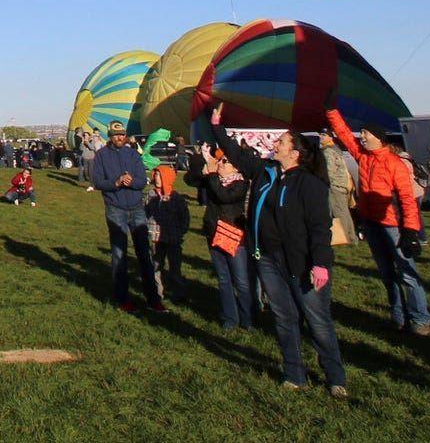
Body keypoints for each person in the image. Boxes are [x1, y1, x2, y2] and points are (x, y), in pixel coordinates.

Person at [201, 106, 347, 397]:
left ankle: (335, 377)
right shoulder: (266, 172)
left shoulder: (310, 184)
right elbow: (237, 153)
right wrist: (217, 125)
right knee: (284, 318)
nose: (275, 144)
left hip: (303, 260)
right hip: (268, 258)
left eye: (281, 142)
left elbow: (320, 228)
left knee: (317, 321)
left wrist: (320, 263)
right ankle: (294, 373)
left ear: (295, 153)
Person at [326, 105, 430, 335]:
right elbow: (345, 135)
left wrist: (411, 230)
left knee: (406, 272)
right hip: (371, 223)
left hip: (393, 225)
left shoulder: (394, 164)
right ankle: (398, 315)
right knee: (386, 272)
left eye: (365, 133)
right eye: (361, 133)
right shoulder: (364, 159)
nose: (361, 137)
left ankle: (420, 318)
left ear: (378, 138)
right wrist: (331, 110)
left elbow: (407, 199)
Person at [89, 120, 160, 313]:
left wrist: (132, 181)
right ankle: (123, 299)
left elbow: (142, 180)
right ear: (109, 136)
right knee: (119, 253)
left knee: (144, 253)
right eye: (115, 135)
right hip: (116, 207)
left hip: (136, 207)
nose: (119, 138)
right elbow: (98, 182)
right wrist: (117, 182)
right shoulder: (101, 156)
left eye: (122, 134)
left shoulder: (133, 155)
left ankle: (153, 298)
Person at [191, 142, 255, 331]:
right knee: (224, 279)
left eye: (225, 162)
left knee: (241, 280)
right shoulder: (213, 180)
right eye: (220, 160)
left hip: (234, 236)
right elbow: (190, 179)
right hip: (214, 233)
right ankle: (230, 318)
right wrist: (201, 161)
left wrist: (211, 175)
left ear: (236, 167)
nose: (220, 164)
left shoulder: (240, 184)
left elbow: (224, 196)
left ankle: (247, 318)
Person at [146, 164, 190, 303]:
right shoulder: (151, 195)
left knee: (175, 268)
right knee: (156, 266)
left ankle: (178, 293)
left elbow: (185, 217)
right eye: (155, 175)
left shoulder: (176, 198)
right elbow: (145, 214)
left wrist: (180, 232)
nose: (156, 178)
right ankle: (157, 292)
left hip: (173, 238)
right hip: (155, 238)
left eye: (160, 175)